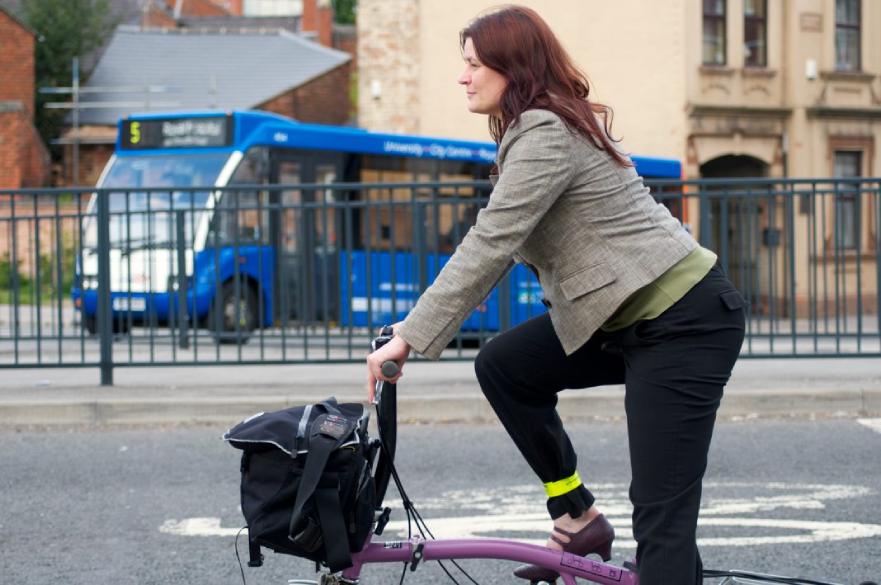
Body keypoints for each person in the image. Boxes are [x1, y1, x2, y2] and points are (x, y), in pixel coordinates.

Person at [366, 6, 746, 584]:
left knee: (661, 516)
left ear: (511, 68)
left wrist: (411, 337)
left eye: (472, 65)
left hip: (685, 322)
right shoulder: (537, 131)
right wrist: (413, 329)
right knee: (505, 366)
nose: (462, 77)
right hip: (625, 320)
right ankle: (575, 512)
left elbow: (492, 241)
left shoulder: (545, 132)